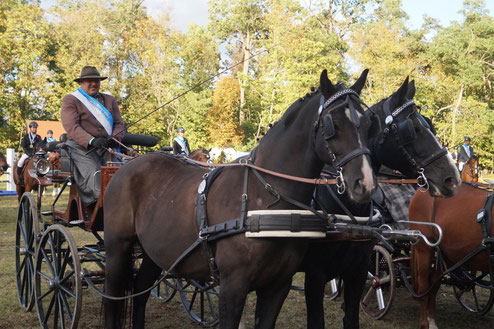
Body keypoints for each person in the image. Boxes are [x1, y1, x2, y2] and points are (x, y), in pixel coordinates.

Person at [61, 65, 125, 206]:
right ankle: (97, 204)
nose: (94, 84)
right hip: (81, 148)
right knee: (96, 175)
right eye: (89, 80)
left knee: (124, 174)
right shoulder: (71, 100)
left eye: (97, 80)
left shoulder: (110, 100)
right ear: (81, 83)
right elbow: (72, 128)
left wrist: (115, 138)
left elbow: (119, 124)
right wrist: (92, 140)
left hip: (108, 146)